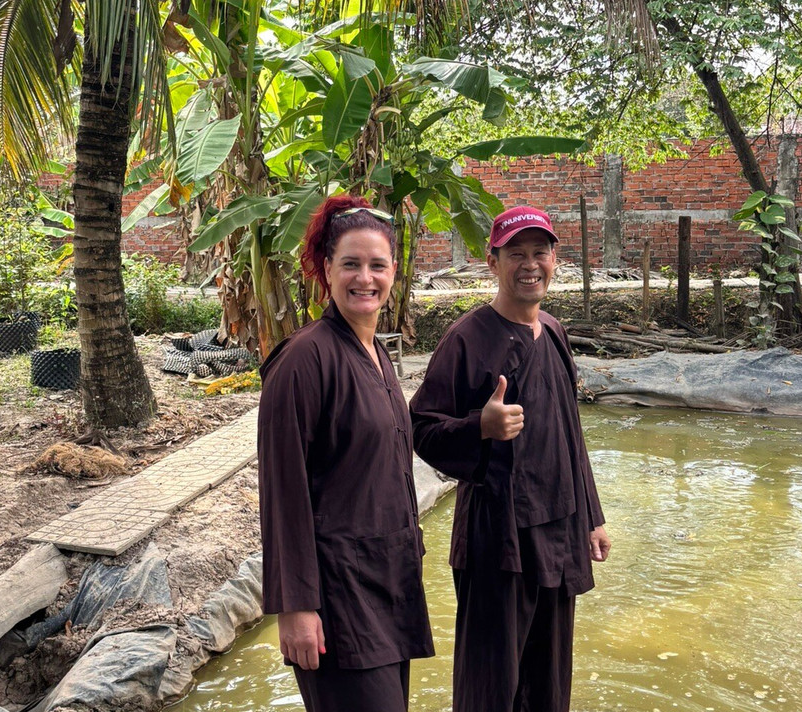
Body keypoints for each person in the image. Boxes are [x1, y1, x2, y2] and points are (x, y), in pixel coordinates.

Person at [410, 204, 610, 712]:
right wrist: (480, 427)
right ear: (491, 262)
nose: (529, 264)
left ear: (554, 259)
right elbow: (421, 429)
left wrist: (593, 517)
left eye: (539, 253)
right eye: (515, 254)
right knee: (491, 685)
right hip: (496, 538)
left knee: (548, 681)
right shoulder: (468, 338)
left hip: (559, 530)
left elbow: (570, 433)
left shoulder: (555, 332)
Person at [257, 194, 434, 712]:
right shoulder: (303, 360)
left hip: (389, 580)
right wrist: (296, 606)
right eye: (350, 264)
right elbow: (283, 491)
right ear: (325, 270)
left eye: (377, 265)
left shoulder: (376, 352)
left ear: (394, 273)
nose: (365, 278)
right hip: (336, 594)